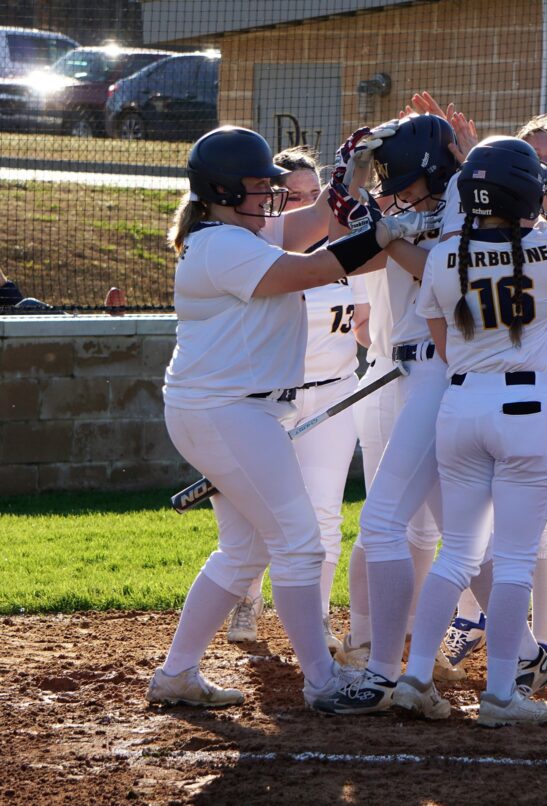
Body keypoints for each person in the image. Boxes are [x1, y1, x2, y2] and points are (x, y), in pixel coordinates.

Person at [144, 125, 437, 712]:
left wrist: (351, 177)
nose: (270, 196)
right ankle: (323, 680)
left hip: (230, 410)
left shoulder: (236, 231)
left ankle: (176, 674)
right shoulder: (222, 245)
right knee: (299, 543)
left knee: (246, 550)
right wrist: (380, 230)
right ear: (223, 190)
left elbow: (319, 228)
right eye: (258, 187)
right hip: (225, 412)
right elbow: (310, 269)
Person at [393, 136, 547, 726]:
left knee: (457, 552)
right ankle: (499, 695)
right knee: (515, 559)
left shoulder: (445, 255)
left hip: (462, 404)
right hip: (526, 405)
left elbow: (443, 342)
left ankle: (416, 676)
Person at [324, 113, 461, 714]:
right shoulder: (418, 211)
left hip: (442, 370)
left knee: (383, 523)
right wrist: (351, 182)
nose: (395, 189)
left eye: (401, 180)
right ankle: (529, 653)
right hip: (412, 371)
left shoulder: (463, 209)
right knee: (455, 533)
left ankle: (384, 671)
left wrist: (384, 229)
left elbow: (434, 269)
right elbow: (356, 248)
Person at [224, 147, 365, 656]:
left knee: (325, 511)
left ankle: (319, 615)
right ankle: (247, 598)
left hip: (334, 395)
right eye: (295, 197)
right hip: (270, 401)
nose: (307, 205)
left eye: (314, 195)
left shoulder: (350, 249)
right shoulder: (259, 254)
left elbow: (368, 325)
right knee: (258, 509)